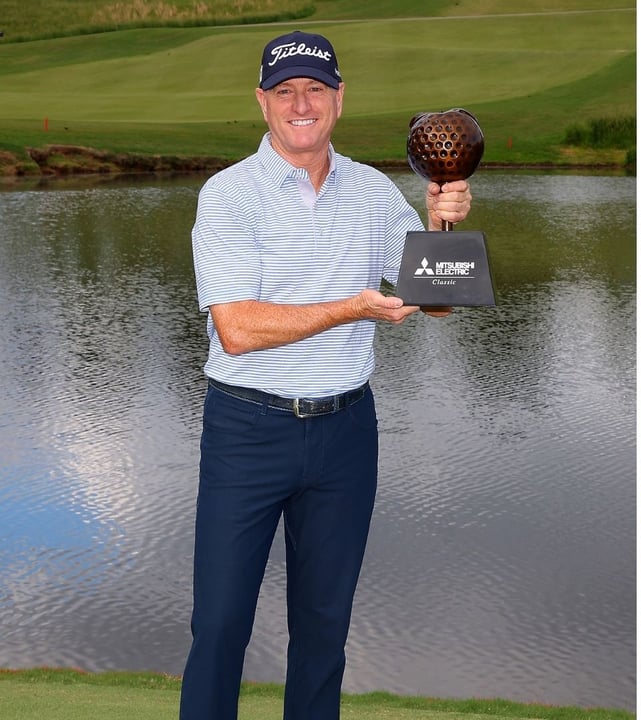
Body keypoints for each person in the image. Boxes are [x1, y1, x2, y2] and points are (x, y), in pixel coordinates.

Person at [181, 30, 472, 720]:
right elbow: (238, 329)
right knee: (220, 625)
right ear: (262, 102)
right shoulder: (227, 196)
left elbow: (436, 303)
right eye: (285, 91)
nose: (301, 103)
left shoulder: (373, 193)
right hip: (245, 430)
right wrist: (353, 307)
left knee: (323, 632)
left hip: (345, 433)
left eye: (315, 89)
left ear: (339, 100)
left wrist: (442, 222)